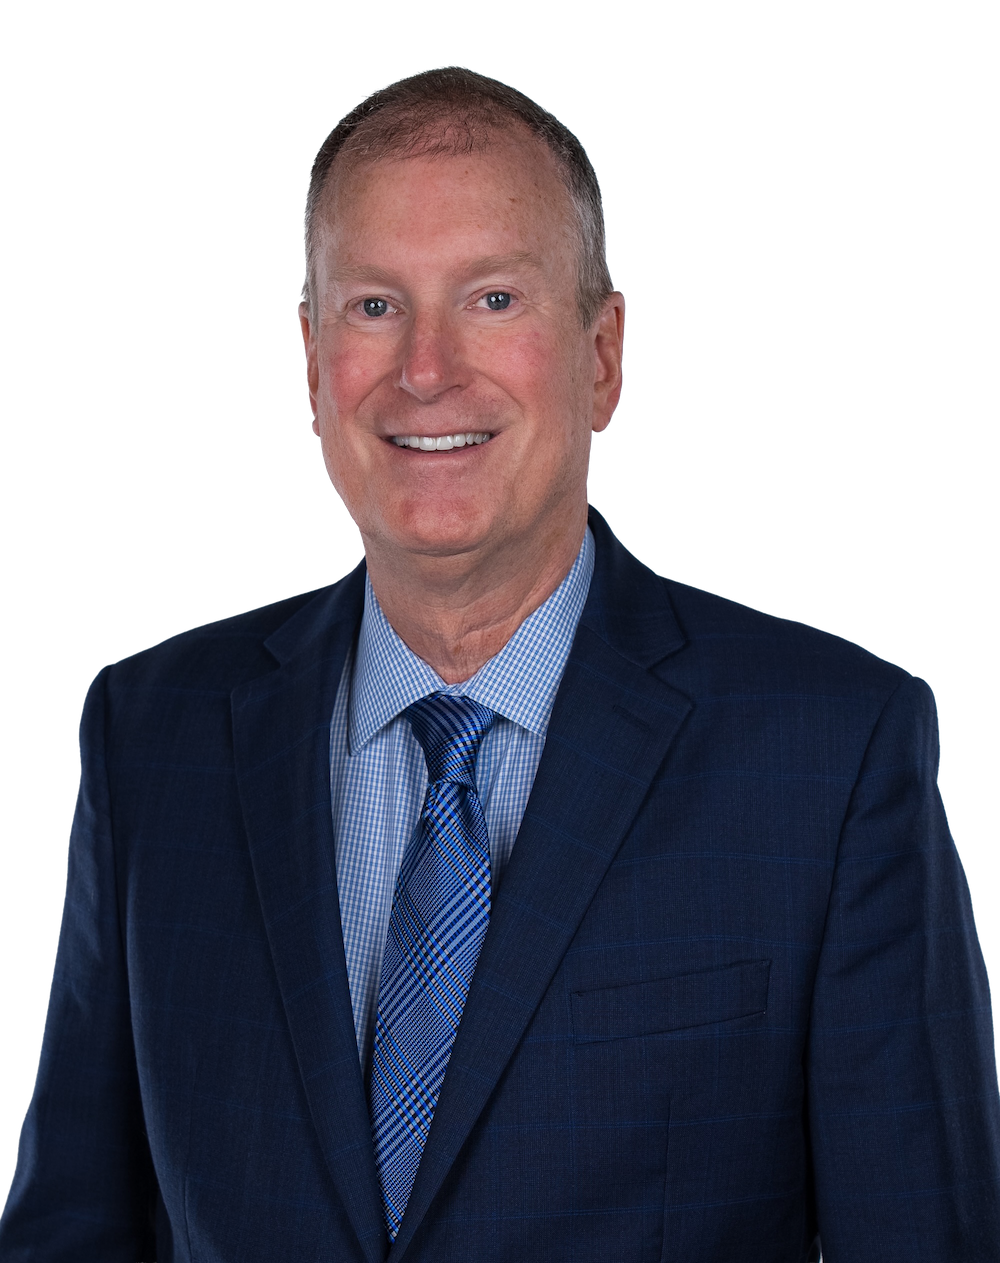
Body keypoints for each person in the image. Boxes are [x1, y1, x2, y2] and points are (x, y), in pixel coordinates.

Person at [1, 66, 997, 1263]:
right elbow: (74, 1224)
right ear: (312, 360)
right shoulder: (153, 729)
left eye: (491, 298)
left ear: (603, 353)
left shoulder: (830, 751)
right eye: (375, 305)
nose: (425, 370)